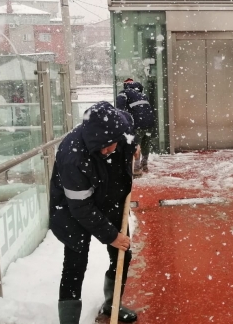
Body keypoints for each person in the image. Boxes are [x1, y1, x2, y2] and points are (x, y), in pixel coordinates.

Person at [49, 101, 138, 324]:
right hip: (71, 210)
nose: (112, 149)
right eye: (105, 146)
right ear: (93, 140)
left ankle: (112, 304)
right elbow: (81, 208)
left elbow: (130, 129)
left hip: (111, 198)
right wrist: (111, 236)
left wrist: (134, 147)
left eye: (114, 143)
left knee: (122, 254)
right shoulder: (73, 156)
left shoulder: (119, 127)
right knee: (74, 264)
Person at [116, 78, 154, 177]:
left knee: (135, 145)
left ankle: (136, 169)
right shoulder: (143, 95)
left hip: (138, 123)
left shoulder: (124, 93)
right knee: (145, 142)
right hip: (149, 123)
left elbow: (120, 110)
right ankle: (144, 164)